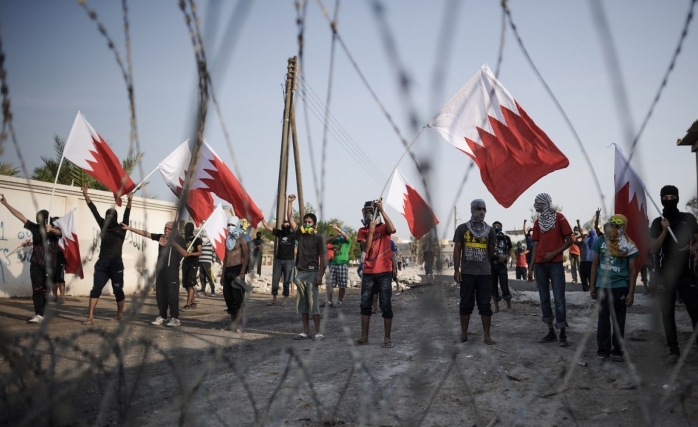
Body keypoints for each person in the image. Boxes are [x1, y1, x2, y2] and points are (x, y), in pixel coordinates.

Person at [649, 185, 698, 364]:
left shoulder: (688, 219)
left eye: (672, 196)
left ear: (677, 197)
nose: (669, 200)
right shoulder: (657, 222)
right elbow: (653, 249)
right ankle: (674, 350)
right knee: (667, 314)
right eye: (666, 197)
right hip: (664, 276)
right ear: (661, 198)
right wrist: (664, 230)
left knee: (695, 311)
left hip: (687, 274)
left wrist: (694, 247)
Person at [1, 195, 61, 323]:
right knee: (37, 290)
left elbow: (60, 233)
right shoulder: (35, 227)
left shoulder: (54, 229)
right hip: (35, 263)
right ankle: (38, 314)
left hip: (49, 266)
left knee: (45, 290)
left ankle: (42, 313)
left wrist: (51, 229)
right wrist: (6, 204)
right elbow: (20, 216)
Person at [527, 193, 574, 347]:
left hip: (555, 263)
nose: (536, 205)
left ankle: (562, 333)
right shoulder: (537, 222)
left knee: (559, 298)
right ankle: (550, 331)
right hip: (540, 265)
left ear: (546, 203)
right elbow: (535, 246)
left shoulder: (559, 218)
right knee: (544, 298)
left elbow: (570, 241)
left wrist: (554, 253)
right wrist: (531, 267)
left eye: (538, 202)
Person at [590, 214, 638, 363]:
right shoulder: (600, 241)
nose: (614, 228)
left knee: (619, 321)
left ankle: (617, 351)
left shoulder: (630, 246)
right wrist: (592, 285)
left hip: (620, 288)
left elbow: (632, 271)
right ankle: (603, 351)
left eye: (618, 225)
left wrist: (631, 293)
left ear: (624, 227)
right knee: (603, 320)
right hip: (602, 287)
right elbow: (595, 264)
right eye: (612, 224)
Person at [82, 184, 132, 325]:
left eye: (111, 216)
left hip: (116, 264)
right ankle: (90, 317)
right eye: (107, 216)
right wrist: (86, 194)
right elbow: (94, 211)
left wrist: (130, 201)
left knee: (118, 290)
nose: (108, 218)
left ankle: (119, 314)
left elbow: (127, 214)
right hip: (102, 263)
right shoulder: (103, 224)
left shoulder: (122, 227)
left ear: (115, 217)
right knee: (95, 289)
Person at [122, 221, 187, 326]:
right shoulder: (161, 237)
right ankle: (162, 316)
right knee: (160, 295)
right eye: (165, 228)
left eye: (169, 229)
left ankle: (175, 318)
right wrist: (130, 228)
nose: (166, 230)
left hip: (172, 271)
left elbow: (185, 253)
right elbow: (146, 234)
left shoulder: (179, 239)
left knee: (172, 295)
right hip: (161, 270)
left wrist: (173, 244)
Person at [453, 199, 497, 345]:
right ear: (472, 209)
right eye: (479, 209)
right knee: (465, 304)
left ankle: (487, 336)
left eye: (484, 209)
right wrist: (456, 270)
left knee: (485, 305)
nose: (481, 212)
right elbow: (457, 249)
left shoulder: (490, 231)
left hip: (484, 274)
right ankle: (464, 334)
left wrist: (483, 262)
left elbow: (490, 252)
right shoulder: (462, 229)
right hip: (467, 273)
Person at [355, 199, 396, 347]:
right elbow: (366, 249)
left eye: (370, 212)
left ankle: (387, 338)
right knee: (365, 304)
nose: (367, 215)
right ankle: (364, 336)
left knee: (385, 304)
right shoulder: (362, 231)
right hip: (368, 272)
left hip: (384, 272)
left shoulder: (384, 228)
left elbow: (392, 229)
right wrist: (371, 230)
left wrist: (382, 210)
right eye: (365, 212)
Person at [286, 194, 325, 340]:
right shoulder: (300, 235)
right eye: (304, 222)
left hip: (313, 273)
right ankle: (305, 331)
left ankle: (318, 331)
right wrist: (290, 203)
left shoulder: (318, 238)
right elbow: (290, 219)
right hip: (301, 273)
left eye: (309, 222)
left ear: (314, 224)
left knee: (314, 304)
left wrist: (320, 275)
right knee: (302, 305)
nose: (306, 224)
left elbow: (323, 258)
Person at [261, 196, 296, 306]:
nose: (285, 225)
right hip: (278, 260)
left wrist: (290, 203)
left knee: (286, 280)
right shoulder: (280, 233)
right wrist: (261, 217)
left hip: (289, 260)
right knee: (275, 279)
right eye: (284, 224)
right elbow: (267, 227)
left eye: (287, 224)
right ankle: (274, 299)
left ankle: (285, 300)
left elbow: (290, 217)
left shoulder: (293, 234)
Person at [221, 216, 249, 332]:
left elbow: (246, 257)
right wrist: (223, 274)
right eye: (229, 224)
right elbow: (226, 257)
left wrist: (242, 272)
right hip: (228, 270)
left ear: (237, 225)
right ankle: (232, 324)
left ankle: (239, 324)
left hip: (237, 270)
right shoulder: (227, 240)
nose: (230, 227)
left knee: (238, 298)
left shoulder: (241, 239)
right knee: (229, 298)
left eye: (232, 225)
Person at [323, 224, 351, 307]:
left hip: (342, 264)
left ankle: (339, 301)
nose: (340, 234)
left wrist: (338, 229)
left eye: (341, 232)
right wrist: (335, 236)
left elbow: (346, 236)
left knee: (342, 285)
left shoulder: (347, 242)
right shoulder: (336, 241)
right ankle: (329, 301)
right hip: (334, 264)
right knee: (330, 284)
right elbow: (325, 241)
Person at [490, 221, 512, 313]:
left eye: (498, 226)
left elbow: (510, 251)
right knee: (493, 286)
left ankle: (509, 306)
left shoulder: (506, 238)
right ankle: (496, 307)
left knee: (504, 285)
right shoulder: (489, 238)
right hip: (491, 265)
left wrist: (505, 256)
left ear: (501, 227)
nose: (496, 227)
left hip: (502, 265)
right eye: (494, 226)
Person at [182, 222, 202, 310]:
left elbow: (200, 252)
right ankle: (193, 301)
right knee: (186, 284)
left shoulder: (197, 240)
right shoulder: (184, 240)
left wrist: (190, 254)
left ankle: (188, 304)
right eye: (186, 228)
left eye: (189, 228)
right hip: (185, 263)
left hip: (193, 264)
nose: (187, 230)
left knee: (190, 283)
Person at [51, 219, 67, 304]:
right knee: (53, 277)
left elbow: (59, 234)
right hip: (52, 258)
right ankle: (55, 296)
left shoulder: (61, 233)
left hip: (60, 257)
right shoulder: (50, 234)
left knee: (60, 277)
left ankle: (62, 296)